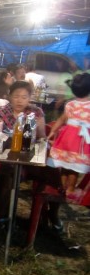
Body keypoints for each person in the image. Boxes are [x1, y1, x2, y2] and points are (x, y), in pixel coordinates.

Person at [47, 73, 90, 202]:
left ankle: (61, 187)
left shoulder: (70, 104)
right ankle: (70, 189)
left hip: (67, 138)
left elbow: (61, 120)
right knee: (75, 167)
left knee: (64, 164)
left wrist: (52, 132)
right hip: (80, 140)